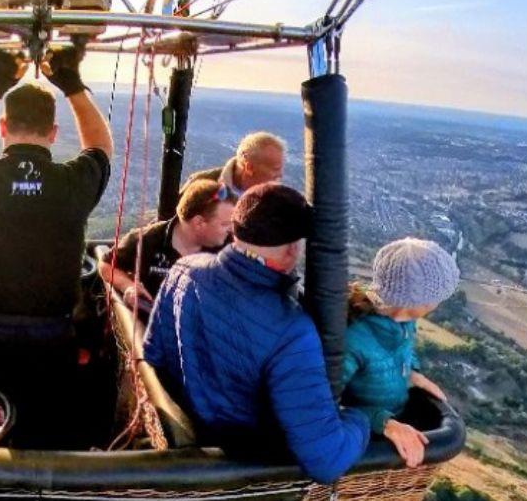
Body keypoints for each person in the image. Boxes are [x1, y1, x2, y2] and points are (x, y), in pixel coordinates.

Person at [142, 183, 376, 481]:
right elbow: (326, 460)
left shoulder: (185, 268)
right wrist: (361, 417)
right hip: (240, 467)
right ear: (293, 248)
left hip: (186, 439)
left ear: (236, 231)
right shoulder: (292, 331)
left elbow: (154, 353)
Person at [0, 45, 112, 444]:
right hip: (53, 337)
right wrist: (72, 86)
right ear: (53, 133)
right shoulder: (71, 184)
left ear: (3, 128)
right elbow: (100, 148)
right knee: (48, 426)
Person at [341, 238, 459, 468]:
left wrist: (412, 374)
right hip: (364, 435)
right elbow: (324, 405)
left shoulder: (404, 323)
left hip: (393, 413)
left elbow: (404, 350)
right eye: (436, 296)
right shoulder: (353, 339)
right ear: (414, 301)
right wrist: (384, 423)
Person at [101, 177, 236, 315]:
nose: (231, 229)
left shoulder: (229, 249)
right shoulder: (148, 240)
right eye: (225, 224)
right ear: (199, 223)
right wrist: (128, 286)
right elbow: (107, 265)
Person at [186, 132, 285, 200]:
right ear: (249, 168)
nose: (280, 175)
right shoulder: (199, 185)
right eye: (276, 169)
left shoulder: (277, 198)